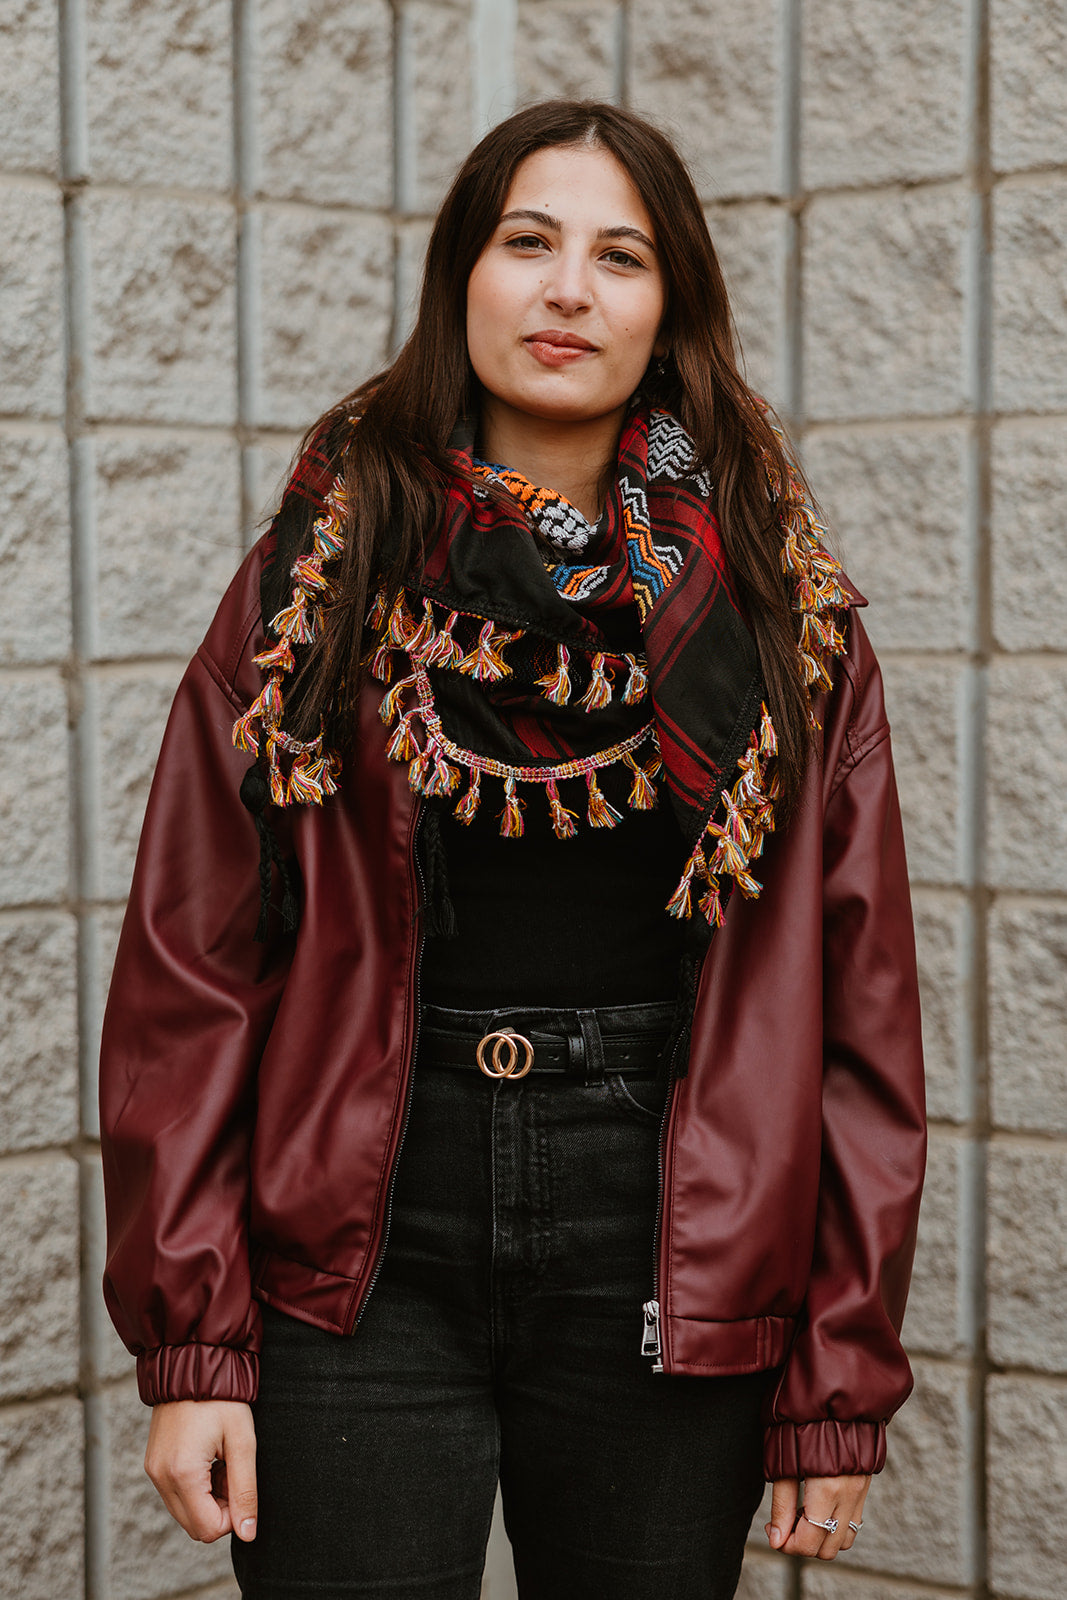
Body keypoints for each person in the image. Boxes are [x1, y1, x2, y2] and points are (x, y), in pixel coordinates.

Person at [99, 99, 926, 1600]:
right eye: (527, 241)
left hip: (664, 1240)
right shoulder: (320, 572)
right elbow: (190, 965)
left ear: (669, 308)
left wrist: (840, 1374)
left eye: (621, 256)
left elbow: (865, 1028)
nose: (567, 290)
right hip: (357, 1230)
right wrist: (192, 1339)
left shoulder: (784, 613)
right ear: (459, 277)